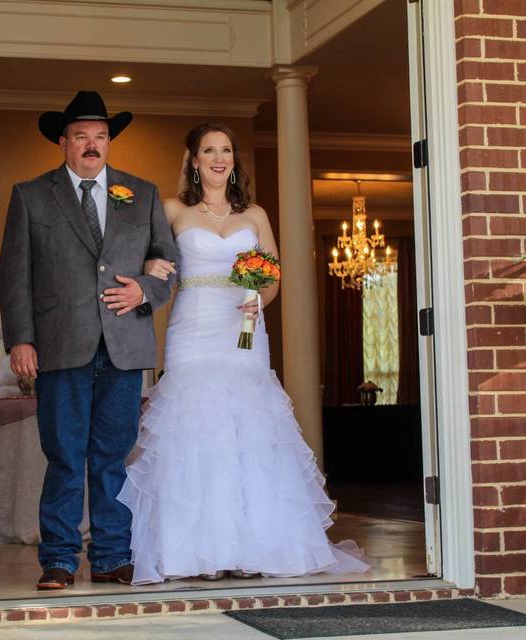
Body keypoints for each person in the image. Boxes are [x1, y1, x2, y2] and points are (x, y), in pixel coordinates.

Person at [117, 122, 369, 585]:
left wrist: (260, 297)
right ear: (193, 160)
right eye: (209, 150)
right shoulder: (171, 209)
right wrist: (150, 266)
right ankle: (195, 551)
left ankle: (254, 545)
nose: (219, 158)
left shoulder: (255, 214)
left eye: (226, 150)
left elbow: (272, 276)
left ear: (234, 160)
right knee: (194, 428)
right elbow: (147, 259)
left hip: (244, 328)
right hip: (192, 327)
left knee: (248, 428)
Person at [0, 91, 176, 590]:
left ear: (109, 142)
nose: (92, 145)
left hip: (124, 344)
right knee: (64, 454)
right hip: (58, 343)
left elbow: (166, 259)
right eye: (81, 136)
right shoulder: (31, 195)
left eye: (100, 136)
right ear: (63, 143)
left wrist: (147, 289)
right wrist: (20, 340)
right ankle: (57, 559)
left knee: (112, 454)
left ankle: (113, 554)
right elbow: (15, 276)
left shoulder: (141, 193)